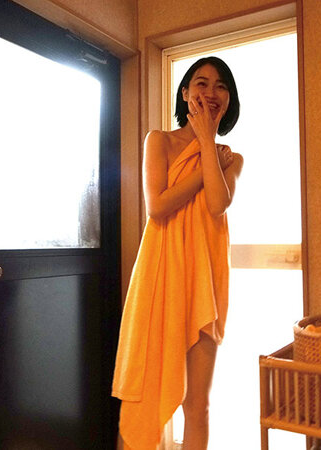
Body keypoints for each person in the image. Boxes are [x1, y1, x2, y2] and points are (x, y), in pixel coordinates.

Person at [112, 56, 244, 450]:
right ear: (185, 93)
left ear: (229, 100)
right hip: (160, 279)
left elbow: (217, 203)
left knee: (198, 405)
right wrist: (204, 158)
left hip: (204, 283)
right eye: (201, 83)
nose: (211, 92)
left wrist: (207, 143)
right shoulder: (159, 141)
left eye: (221, 86)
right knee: (143, 395)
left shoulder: (230, 158)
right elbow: (157, 206)